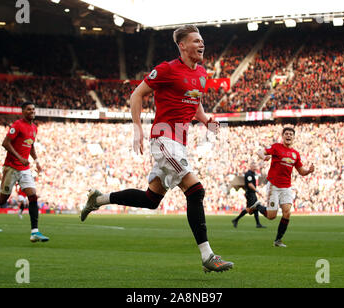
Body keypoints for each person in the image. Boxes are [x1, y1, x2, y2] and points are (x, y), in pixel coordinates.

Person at [80, 25, 233, 273]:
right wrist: (138, 129)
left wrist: (207, 121)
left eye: (202, 40)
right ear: (182, 45)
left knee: (151, 199)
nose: (201, 44)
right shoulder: (167, 69)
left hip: (180, 142)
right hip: (163, 139)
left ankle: (98, 199)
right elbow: (137, 95)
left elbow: (195, 103)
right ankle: (207, 256)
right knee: (195, 190)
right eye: (195, 41)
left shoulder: (203, 74)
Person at [0, 102, 49, 242]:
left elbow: (30, 146)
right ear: (23, 111)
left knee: (33, 196)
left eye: (33, 109)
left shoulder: (34, 128)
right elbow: (5, 143)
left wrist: (37, 161)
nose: (31, 111)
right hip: (11, 168)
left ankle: (34, 232)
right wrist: (20, 158)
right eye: (28, 109)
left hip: (24, 169)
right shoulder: (17, 125)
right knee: (1, 201)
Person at [250, 127, 314, 247]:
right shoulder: (276, 147)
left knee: (287, 213)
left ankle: (278, 240)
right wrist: (264, 157)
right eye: (286, 134)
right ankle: (258, 206)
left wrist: (309, 171)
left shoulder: (296, 154)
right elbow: (260, 151)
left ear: (293, 138)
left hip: (286, 187)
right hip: (274, 186)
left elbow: (301, 171)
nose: (288, 136)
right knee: (271, 216)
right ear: (283, 136)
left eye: (291, 134)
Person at [232, 162, 266, 229]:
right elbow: (250, 184)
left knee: (255, 207)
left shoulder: (252, 174)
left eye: (256, 166)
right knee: (249, 209)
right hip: (250, 194)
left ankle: (258, 224)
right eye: (254, 166)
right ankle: (236, 220)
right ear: (251, 167)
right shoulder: (249, 174)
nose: (255, 167)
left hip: (252, 193)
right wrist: (257, 191)